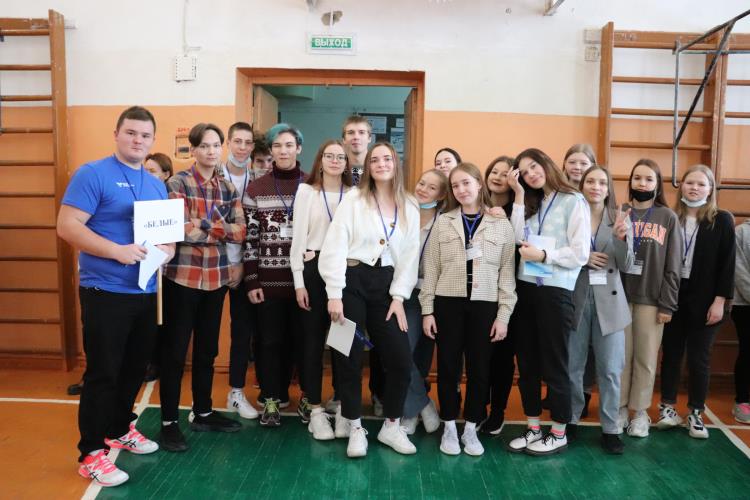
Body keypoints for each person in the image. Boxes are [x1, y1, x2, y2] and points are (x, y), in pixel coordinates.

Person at [57, 106, 175, 487]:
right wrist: (116, 251)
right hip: (105, 291)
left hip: (146, 291)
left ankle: (119, 428)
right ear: (117, 134)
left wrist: (167, 249)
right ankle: (91, 452)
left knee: (134, 368)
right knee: (103, 372)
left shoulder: (156, 184)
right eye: (131, 133)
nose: (138, 140)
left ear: (152, 141)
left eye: (145, 135)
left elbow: (166, 236)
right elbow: (67, 226)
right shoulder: (92, 174)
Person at [318, 142, 420, 458]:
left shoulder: (410, 205)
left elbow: (410, 255)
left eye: (387, 158)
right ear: (367, 167)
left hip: (386, 288)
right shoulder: (353, 199)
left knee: (400, 360)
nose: (381, 164)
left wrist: (399, 297)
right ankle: (354, 426)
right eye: (375, 159)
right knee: (345, 356)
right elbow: (334, 245)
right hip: (349, 282)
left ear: (396, 163)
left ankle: (391, 426)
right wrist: (334, 294)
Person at [159, 122, 246, 451]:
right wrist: (218, 229)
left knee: (208, 350)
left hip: (216, 280)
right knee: (175, 352)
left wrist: (203, 225)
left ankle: (203, 412)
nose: (211, 151)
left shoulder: (228, 188)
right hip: (182, 279)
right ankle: (169, 422)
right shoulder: (177, 182)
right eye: (205, 146)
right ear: (193, 149)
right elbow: (178, 230)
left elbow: (240, 231)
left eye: (215, 145)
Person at [421, 163, 517, 456]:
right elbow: (431, 269)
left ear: (478, 184)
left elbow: (507, 274)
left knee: (480, 369)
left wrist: (503, 316)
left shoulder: (501, 224)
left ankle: (471, 427)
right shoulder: (443, 222)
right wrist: (427, 310)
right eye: (455, 185)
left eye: (466, 183)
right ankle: (449, 425)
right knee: (448, 367)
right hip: (447, 303)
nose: (461, 190)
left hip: (485, 305)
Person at [505, 148, 590, 456]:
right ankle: (533, 427)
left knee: (556, 365)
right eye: (524, 171)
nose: (531, 174)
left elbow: (580, 253)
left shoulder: (573, 200)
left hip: (555, 292)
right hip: (526, 290)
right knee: (526, 364)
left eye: (534, 166)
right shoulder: (530, 201)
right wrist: (518, 195)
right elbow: (515, 238)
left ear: (546, 164)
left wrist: (544, 255)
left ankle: (558, 432)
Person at [657, 165, 735, 439]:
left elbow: (728, 264)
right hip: (673, 292)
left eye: (701, 184)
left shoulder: (721, 220)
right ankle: (667, 407)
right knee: (671, 353)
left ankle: (696, 412)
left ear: (710, 189)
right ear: (682, 186)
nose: (695, 188)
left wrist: (720, 301)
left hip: (707, 297)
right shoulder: (670, 217)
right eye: (690, 182)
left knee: (699, 357)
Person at [244, 123, 307, 427]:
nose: (283, 151)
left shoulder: (312, 186)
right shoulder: (255, 189)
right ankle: (271, 397)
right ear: (270, 151)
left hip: (303, 284)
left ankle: (305, 397)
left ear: (299, 149)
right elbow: (250, 237)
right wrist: (252, 278)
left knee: (302, 342)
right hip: (267, 281)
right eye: (278, 146)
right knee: (269, 342)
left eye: (289, 145)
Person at [290, 140, 352, 439]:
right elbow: (297, 239)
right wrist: (299, 281)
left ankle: (340, 404)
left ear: (347, 163)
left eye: (341, 157)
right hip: (313, 270)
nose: (335, 161)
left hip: (344, 272)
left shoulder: (354, 194)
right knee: (312, 343)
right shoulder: (306, 191)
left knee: (342, 342)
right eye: (330, 156)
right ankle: (314, 408)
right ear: (320, 159)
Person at [568, 166, 633, 454]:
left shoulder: (618, 219)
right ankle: (570, 420)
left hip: (611, 302)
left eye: (602, 182)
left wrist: (620, 238)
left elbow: (627, 265)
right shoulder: (572, 216)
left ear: (608, 189)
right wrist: (583, 258)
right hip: (576, 299)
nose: (596, 186)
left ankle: (610, 429)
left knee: (610, 369)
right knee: (573, 366)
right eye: (590, 181)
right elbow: (561, 256)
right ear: (582, 185)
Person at [618, 158, 682, 438]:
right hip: (620, 298)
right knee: (621, 358)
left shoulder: (667, 217)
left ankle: (640, 412)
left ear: (657, 184)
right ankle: (620, 408)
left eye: (648, 179)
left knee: (645, 359)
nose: (642, 184)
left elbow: (673, 265)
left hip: (652, 300)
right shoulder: (620, 212)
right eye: (637, 178)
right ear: (630, 181)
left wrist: (667, 303)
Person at [400, 169, 447, 436]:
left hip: (430, 295)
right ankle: (422, 405)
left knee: (421, 357)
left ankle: (411, 412)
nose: (423, 190)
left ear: (441, 195)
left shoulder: (445, 221)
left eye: (431, 188)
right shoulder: (403, 213)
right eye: (421, 183)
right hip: (401, 294)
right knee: (401, 351)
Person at [219, 122, 260, 420]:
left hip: (244, 265)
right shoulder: (213, 174)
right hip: (211, 265)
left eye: (248, 142)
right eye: (237, 141)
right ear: (228, 143)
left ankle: (236, 391)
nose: (242, 147)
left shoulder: (257, 179)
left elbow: (254, 230)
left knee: (242, 332)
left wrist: (242, 264)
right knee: (206, 334)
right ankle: (201, 403)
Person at [482, 155, 517, 435]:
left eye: (504, 174)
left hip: (508, 293)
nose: (497, 177)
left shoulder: (519, 210)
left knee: (503, 357)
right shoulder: (474, 204)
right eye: (494, 171)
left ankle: (498, 411)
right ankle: (478, 406)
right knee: (479, 354)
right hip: (478, 292)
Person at [561, 144, 598, 416]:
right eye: (572, 162)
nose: (577, 167)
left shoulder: (598, 197)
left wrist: (587, 255)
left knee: (589, 344)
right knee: (563, 340)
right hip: (562, 277)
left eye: (583, 163)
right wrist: (583, 256)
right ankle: (560, 391)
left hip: (594, 283)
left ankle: (583, 392)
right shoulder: (557, 195)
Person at [142, 151, 174, 383]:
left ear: (166, 174)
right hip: (142, 268)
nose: (148, 175)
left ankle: (157, 363)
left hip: (167, 270)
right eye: (145, 170)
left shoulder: (170, 199)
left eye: (152, 171)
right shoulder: (140, 195)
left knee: (163, 319)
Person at [733, 218, 750, 424]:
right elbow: (738, 270)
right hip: (744, 305)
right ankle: (742, 401)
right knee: (748, 351)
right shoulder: (741, 232)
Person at [341, 114, 373, 185]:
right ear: (344, 139)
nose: (356, 137)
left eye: (361, 132)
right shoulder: (336, 167)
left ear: (369, 138)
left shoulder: (379, 167)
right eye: (351, 133)